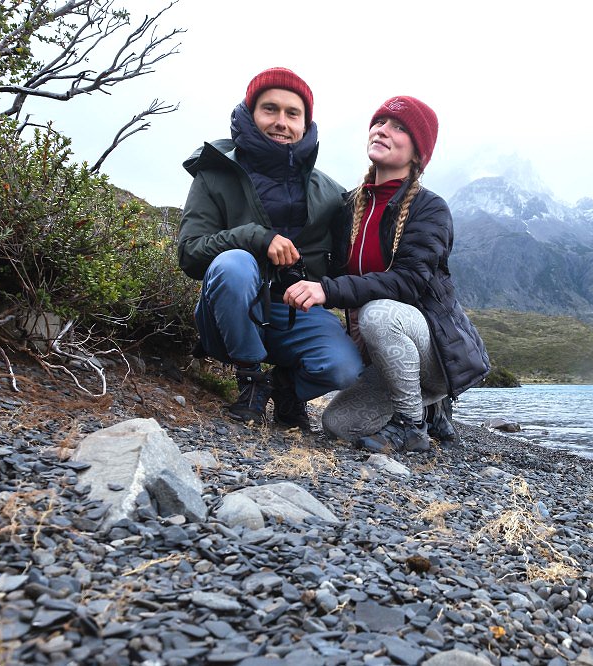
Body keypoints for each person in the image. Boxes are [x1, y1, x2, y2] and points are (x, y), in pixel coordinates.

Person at [283, 96, 490, 453]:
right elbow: (329, 268)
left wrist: (327, 291)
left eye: (399, 127)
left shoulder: (430, 209)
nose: (383, 130)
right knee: (337, 425)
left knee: (378, 312)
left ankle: (411, 426)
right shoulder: (348, 207)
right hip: (384, 351)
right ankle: (430, 410)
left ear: (417, 153)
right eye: (379, 122)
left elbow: (407, 282)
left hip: (431, 352)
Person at [177, 67, 363, 429]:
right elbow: (190, 253)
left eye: (292, 113)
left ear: (306, 123)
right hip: (230, 313)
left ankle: (284, 388)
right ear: (250, 113)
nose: (281, 121)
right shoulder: (214, 174)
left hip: (293, 315)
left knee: (344, 369)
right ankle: (249, 378)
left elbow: (347, 268)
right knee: (234, 264)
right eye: (270, 109)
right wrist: (255, 238)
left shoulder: (330, 193)